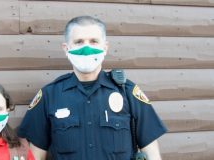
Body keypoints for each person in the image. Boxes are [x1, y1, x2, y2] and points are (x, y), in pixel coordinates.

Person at [17, 16, 167, 160]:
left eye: (94, 41)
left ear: (105, 47)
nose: (86, 48)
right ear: (66, 48)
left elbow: (152, 154)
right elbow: (36, 156)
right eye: (79, 42)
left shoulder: (127, 92)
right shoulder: (49, 96)